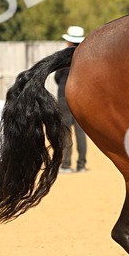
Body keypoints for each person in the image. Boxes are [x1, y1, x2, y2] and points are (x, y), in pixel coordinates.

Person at [55, 25, 88, 173]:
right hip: (81, 96)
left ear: (69, 41)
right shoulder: (85, 55)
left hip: (64, 96)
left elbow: (57, 77)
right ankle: (81, 164)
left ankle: (66, 164)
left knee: (66, 130)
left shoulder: (63, 56)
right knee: (81, 131)